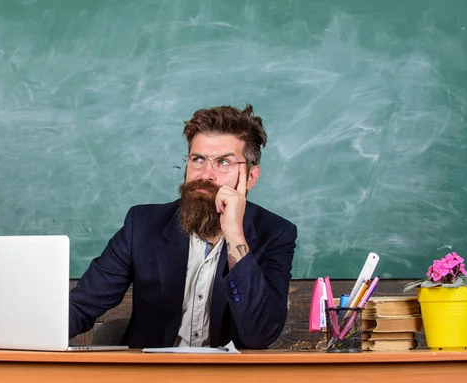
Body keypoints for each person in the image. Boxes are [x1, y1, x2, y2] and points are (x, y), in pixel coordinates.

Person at [69, 105, 297, 349]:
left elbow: (260, 334)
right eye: (198, 159)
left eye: (223, 162)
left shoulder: (275, 233)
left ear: (250, 177)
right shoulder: (142, 225)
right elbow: (82, 305)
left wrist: (234, 234)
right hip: (152, 375)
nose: (205, 174)